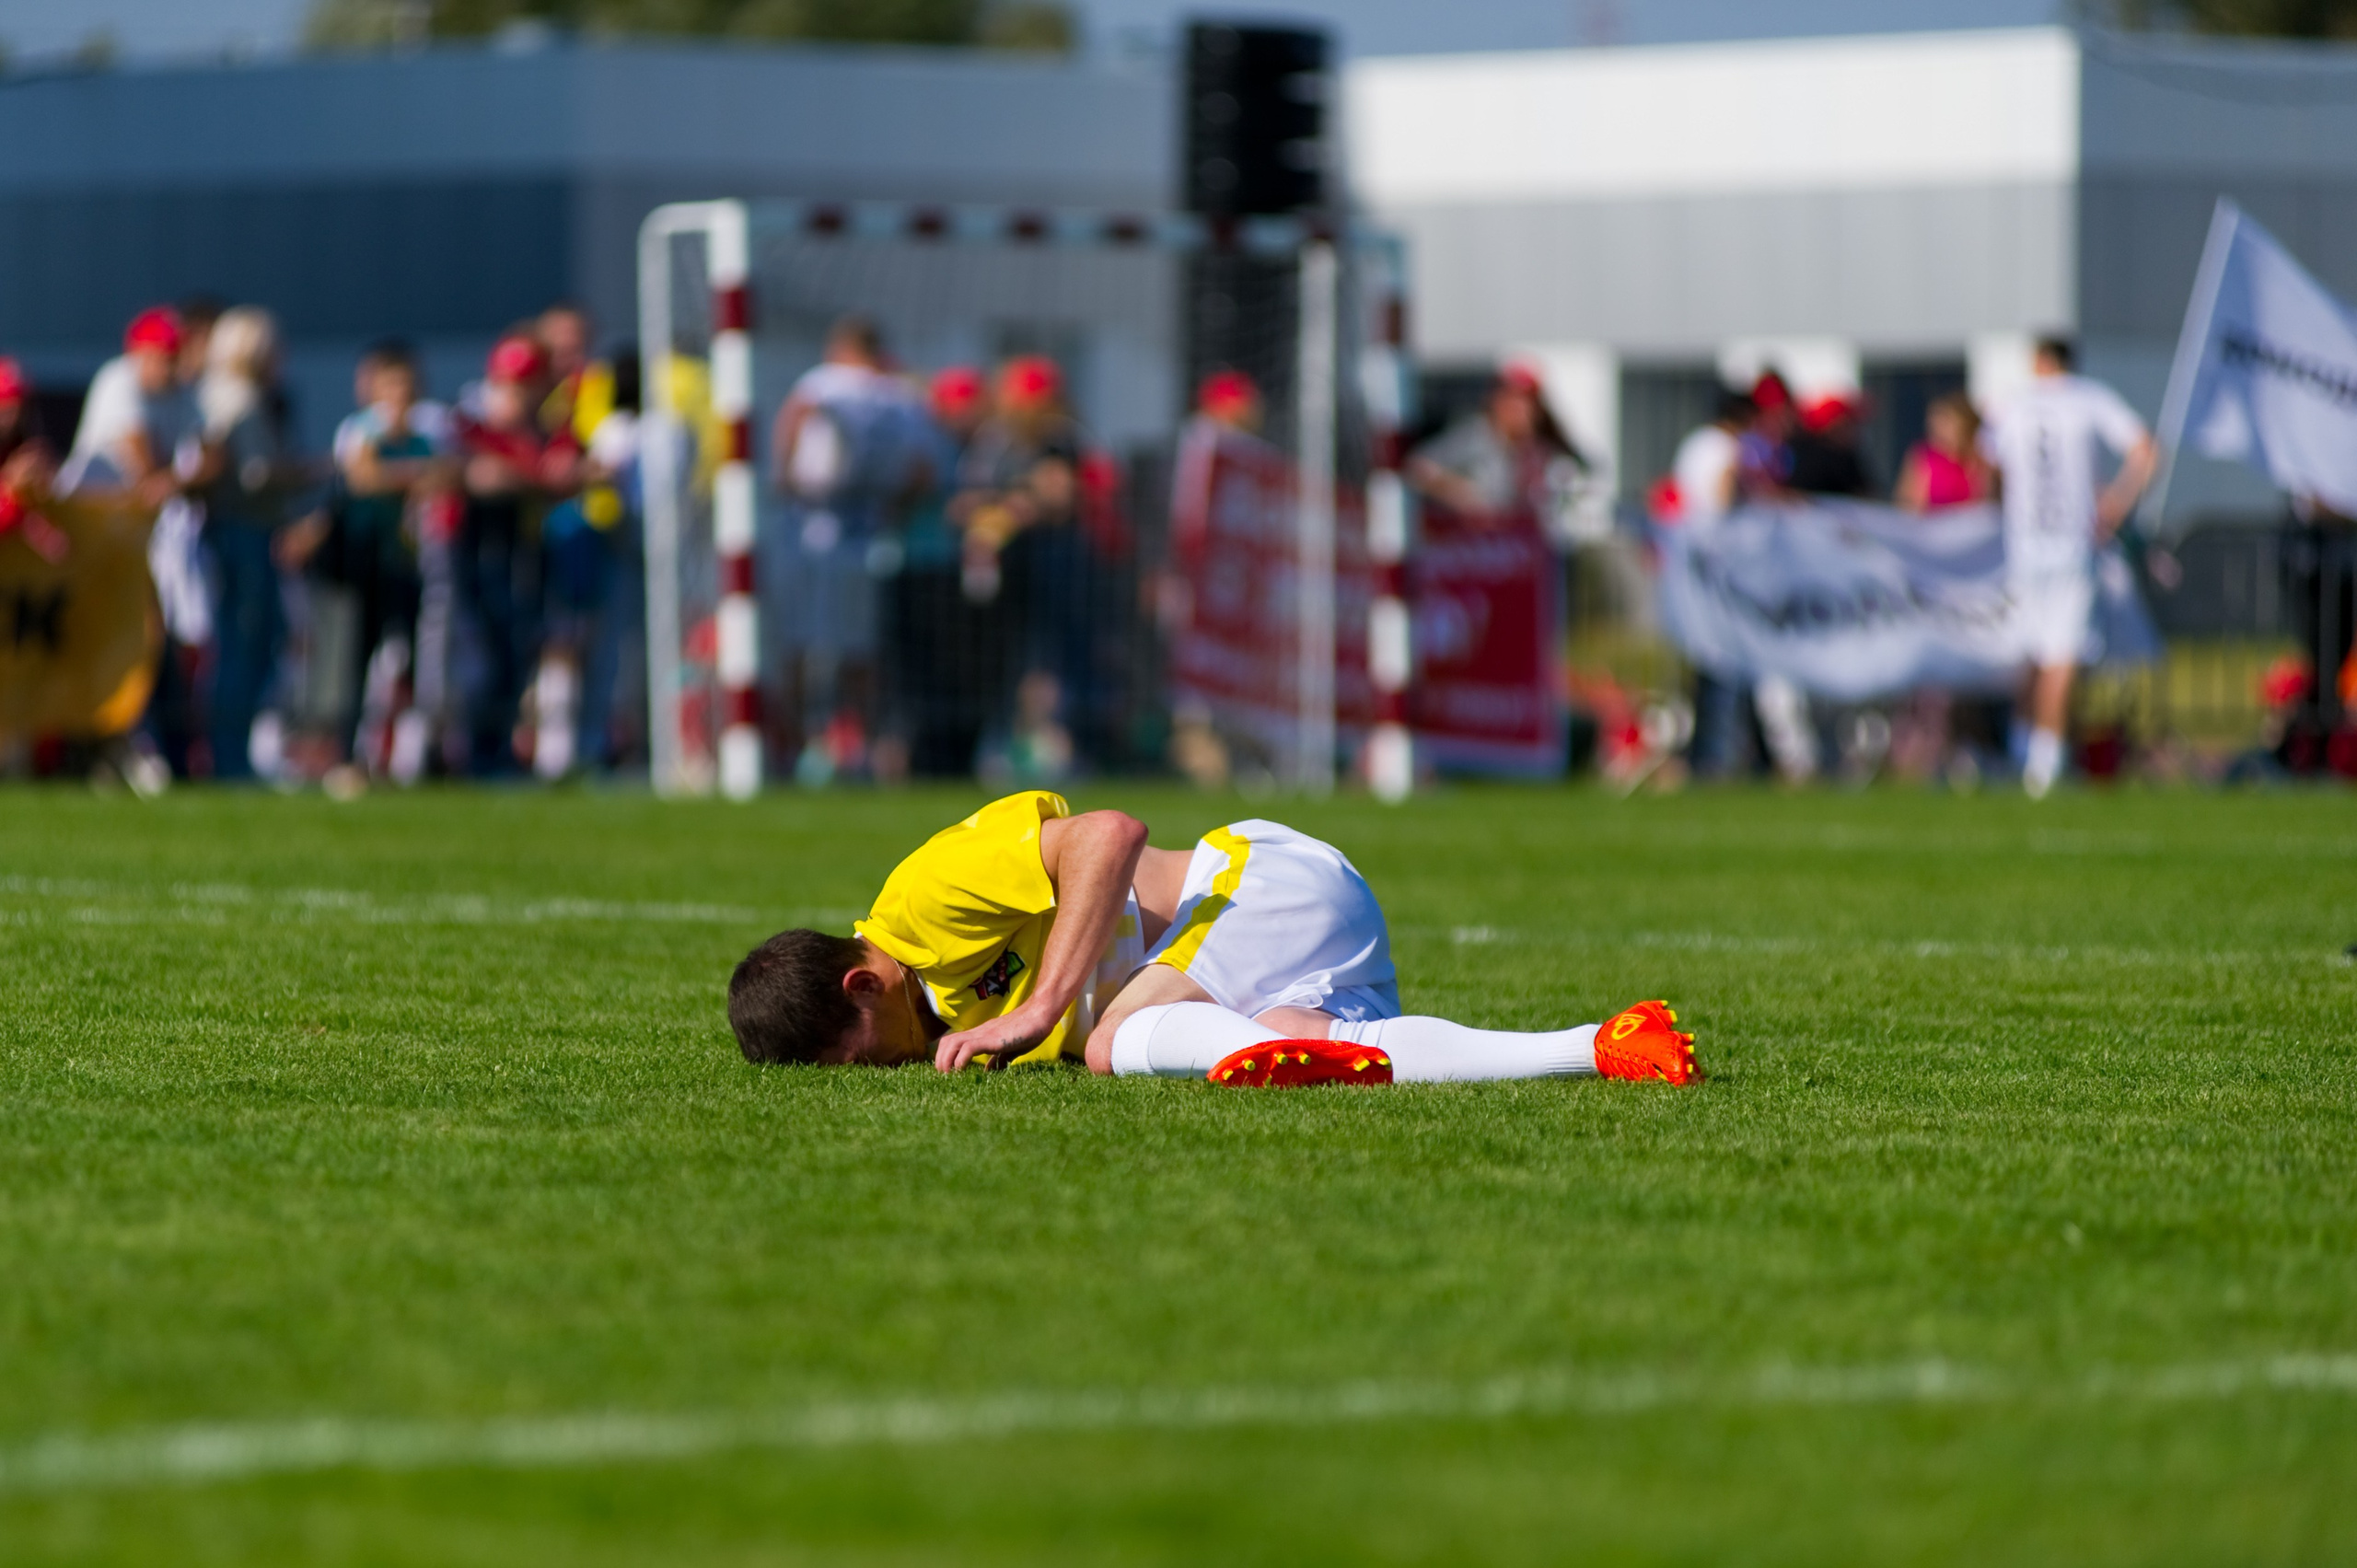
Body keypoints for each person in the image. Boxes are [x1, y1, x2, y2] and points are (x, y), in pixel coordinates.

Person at [727, 791, 1698, 1086]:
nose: (872, 1070)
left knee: (1109, 1044)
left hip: (1257, 884)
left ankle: (1259, 1047)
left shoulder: (923, 900)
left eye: (851, 1058)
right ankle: (1606, 1043)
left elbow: (1110, 834)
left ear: (862, 984)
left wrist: (1036, 1009)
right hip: (1274, 935)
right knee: (1360, 1057)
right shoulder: (928, 998)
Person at [1980, 335, 2157, 799]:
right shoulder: (2088, 399)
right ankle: (2045, 762)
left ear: (2039, 362)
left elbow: (1987, 465)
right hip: (2072, 548)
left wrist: (2009, 503)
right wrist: (2116, 501)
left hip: (2024, 548)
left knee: (2030, 652)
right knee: (2061, 653)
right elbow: (2146, 449)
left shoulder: (2013, 405)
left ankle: (2022, 751)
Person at [765, 315, 917, 782]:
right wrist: (893, 508)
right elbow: (918, 466)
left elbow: (796, 416)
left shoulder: (828, 382)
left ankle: (793, 750)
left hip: (813, 526)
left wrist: (783, 476)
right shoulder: (896, 395)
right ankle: (860, 749)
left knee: (799, 643)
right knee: (859, 648)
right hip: (866, 531)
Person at [453, 331, 580, 774]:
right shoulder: (473, 425)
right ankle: (475, 751)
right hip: (478, 554)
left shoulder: (543, 429)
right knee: (481, 654)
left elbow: (568, 470)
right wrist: (539, 480)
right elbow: (486, 477)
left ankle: (502, 750)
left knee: (519, 650)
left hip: (522, 555)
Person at [1406, 362, 1585, 523]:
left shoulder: (1542, 446)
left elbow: (1580, 472)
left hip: (1528, 544)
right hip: (1479, 545)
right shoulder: (1475, 436)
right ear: (1497, 400)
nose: (1521, 410)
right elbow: (1419, 467)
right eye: (1513, 400)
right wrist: (1464, 494)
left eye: (1528, 402)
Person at [1896, 392, 1993, 513]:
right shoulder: (1924, 457)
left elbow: (1985, 504)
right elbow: (1909, 507)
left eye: (1945, 422)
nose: (1937, 429)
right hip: (1931, 528)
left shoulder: (1979, 459)